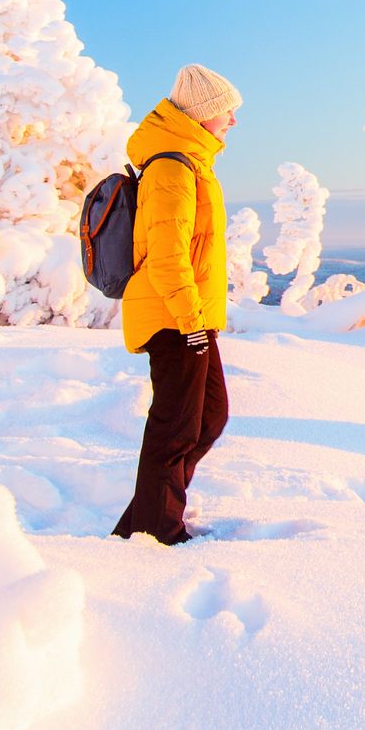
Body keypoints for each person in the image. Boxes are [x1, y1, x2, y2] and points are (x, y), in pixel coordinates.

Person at [110, 63, 241, 544]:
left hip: (189, 316)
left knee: (208, 417)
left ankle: (147, 516)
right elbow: (167, 255)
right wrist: (190, 321)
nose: (232, 122)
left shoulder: (187, 161)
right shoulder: (171, 167)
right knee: (176, 427)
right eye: (227, 112)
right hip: (175, 317)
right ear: (204, 114)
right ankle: (156, 531)